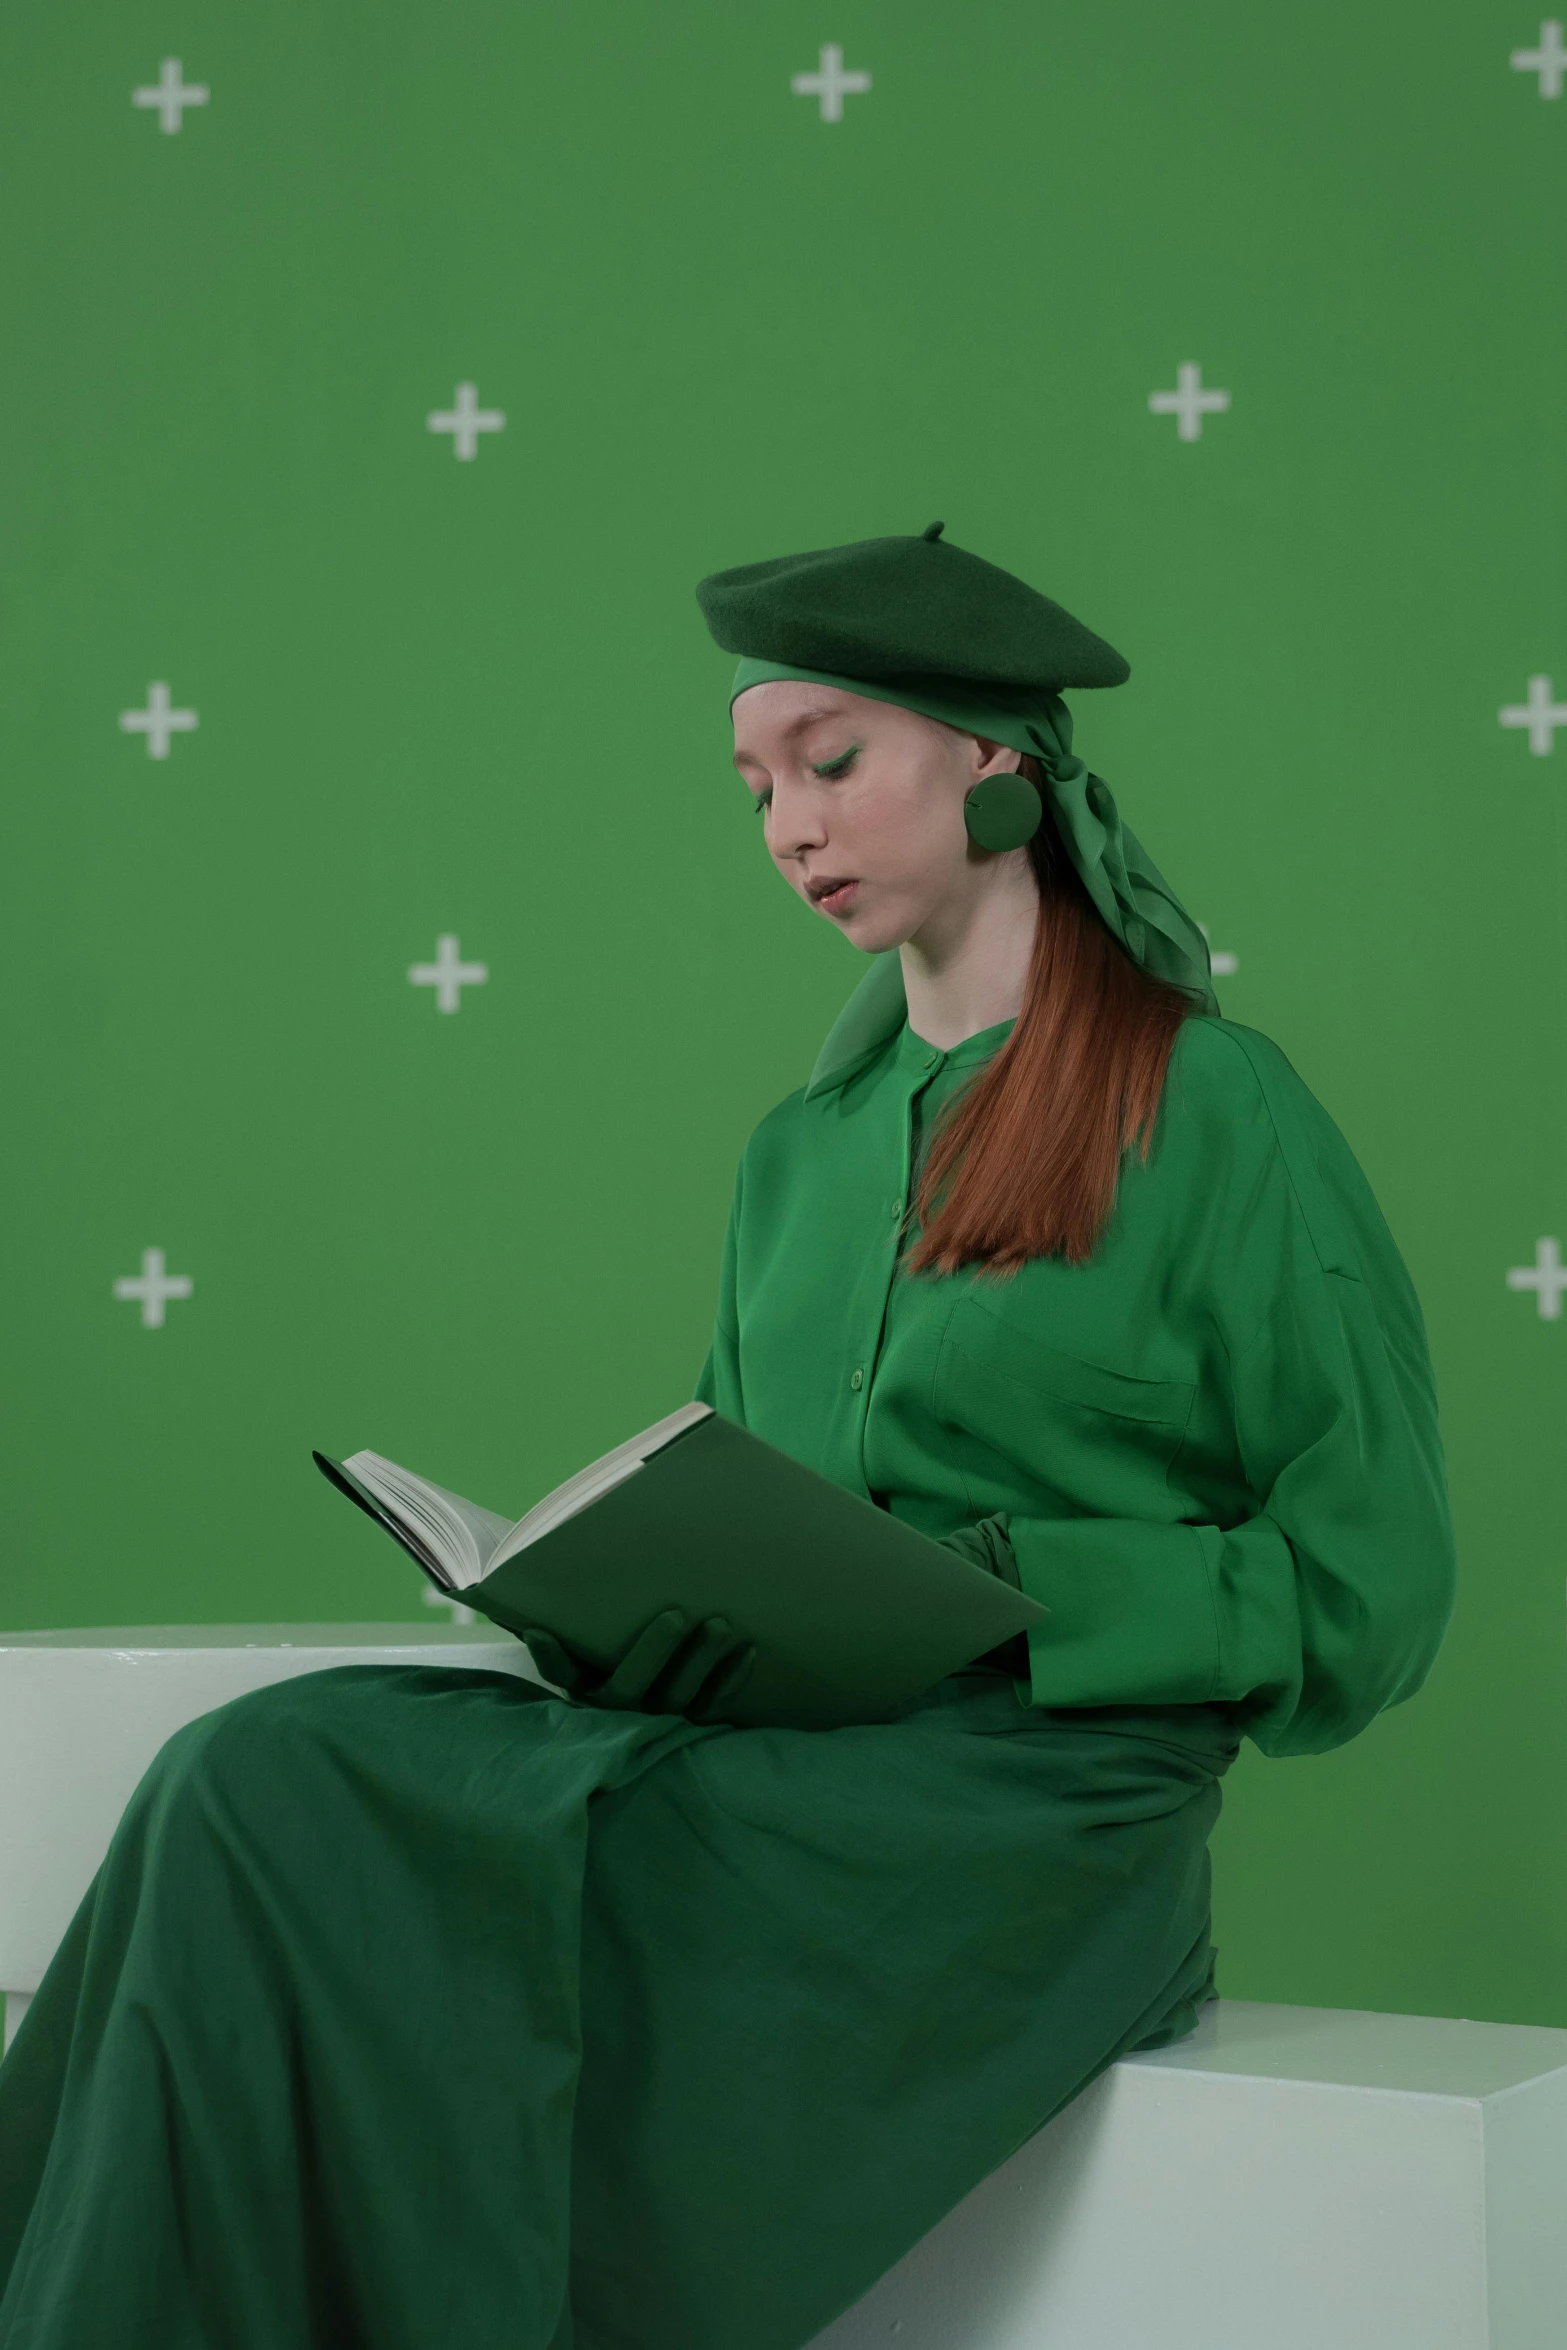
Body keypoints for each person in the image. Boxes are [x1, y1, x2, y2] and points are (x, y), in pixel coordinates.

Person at [0, 523, 1457, 2350]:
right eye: (759, 783)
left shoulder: (1218, 1107)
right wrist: (628, 1597)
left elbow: (1369, 1594)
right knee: (251, 1768)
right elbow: (747, 1511)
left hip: (1025, 1826)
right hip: (784, 1762)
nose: (788, 823)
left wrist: (1029, 1591)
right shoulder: (798, 1152)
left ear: (996, 758)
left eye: (831, 761)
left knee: (331, 1827)